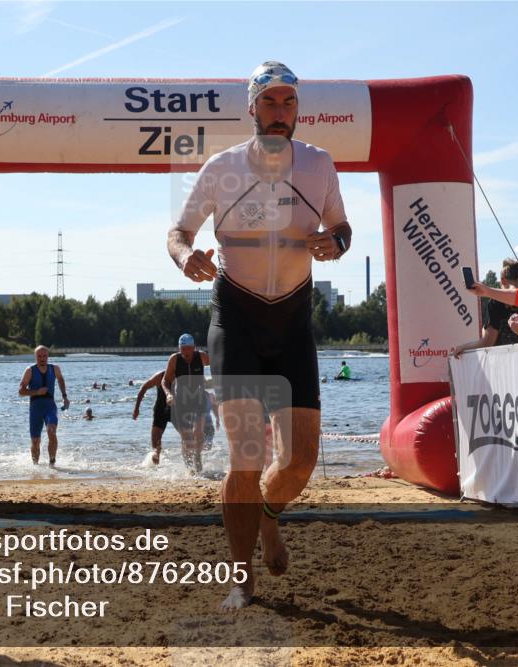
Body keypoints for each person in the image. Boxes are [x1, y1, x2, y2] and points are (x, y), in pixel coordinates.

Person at [167, 61, 352, 610]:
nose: (279, 113)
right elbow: (179, 232)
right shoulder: (222, 169)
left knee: (300, 461)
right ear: (251, 108)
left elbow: (342, 226)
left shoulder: (319, 165)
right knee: (246, 455)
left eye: (288, 103)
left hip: (293, 319)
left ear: (298, 109)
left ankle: (270, 515)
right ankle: (239, 579)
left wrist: (336, 244)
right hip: (238, 318)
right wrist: (185, 258)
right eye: (269, 103)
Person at [453, 259, 518, 357]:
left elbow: (487, 342)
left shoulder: (496, 302)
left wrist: (463, 348)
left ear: (502, 280)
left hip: (504, 363)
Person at [160, 333, 211, 474]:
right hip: (181, 401)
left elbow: (218, 362)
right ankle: (189, 468)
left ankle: (198, 457)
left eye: (188, 348)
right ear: (179, 348)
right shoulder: (174, 360)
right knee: (186, 438)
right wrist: (168, 394)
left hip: (199, 398)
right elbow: (165, 381)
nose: (186, 352)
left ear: (194, 347)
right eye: (183, 349)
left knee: (198, 432)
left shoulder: (201, 356)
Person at [17, 345, 69, 466]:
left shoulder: (55, 368)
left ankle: (52, 463)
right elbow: (21, 391)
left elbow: (61, 380)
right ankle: (36, 466)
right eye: (39, 356)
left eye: (44, 356)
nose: (42, 358)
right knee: (35, 441)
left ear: (47, 356)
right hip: (35, 408)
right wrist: (36, 392)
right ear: (35, 357)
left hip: (50, 406)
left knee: (51, 431)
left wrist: (64, 396)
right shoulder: (30, 370)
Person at [133, 370, 173, 464]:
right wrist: (136, 408)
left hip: (176, 410)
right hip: (161, 410)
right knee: (156, 444)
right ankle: (156, 458)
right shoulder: (161, 375)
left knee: (187, 437)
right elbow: (144, 387)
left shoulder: (183, 374)